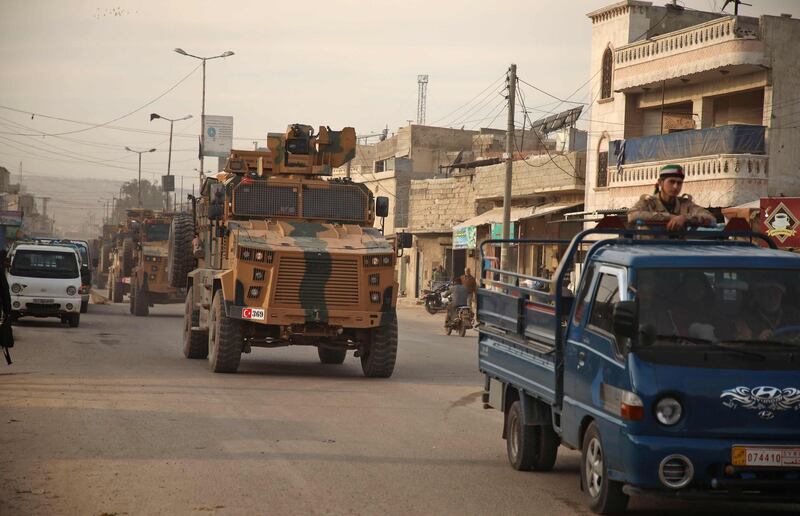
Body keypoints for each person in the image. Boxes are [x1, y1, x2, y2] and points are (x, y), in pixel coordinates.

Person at [627, 164, 717, 231]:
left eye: (679, 183)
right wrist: (670, 217)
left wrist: (684, 218)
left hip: (678, 251)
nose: (675, 187)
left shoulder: (685, 204)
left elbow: (711, 218)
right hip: (650, 250)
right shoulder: (649, 202)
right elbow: (632, 215)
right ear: (660, 183)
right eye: (671, 182)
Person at [735, 280, 800, 341]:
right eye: (767, 292)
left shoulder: (794, 314)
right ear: (757, 295)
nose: (772, 296)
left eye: (776, 292)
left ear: (782, 294)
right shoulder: (746, 318)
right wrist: (758, 340)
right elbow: (741, 344)